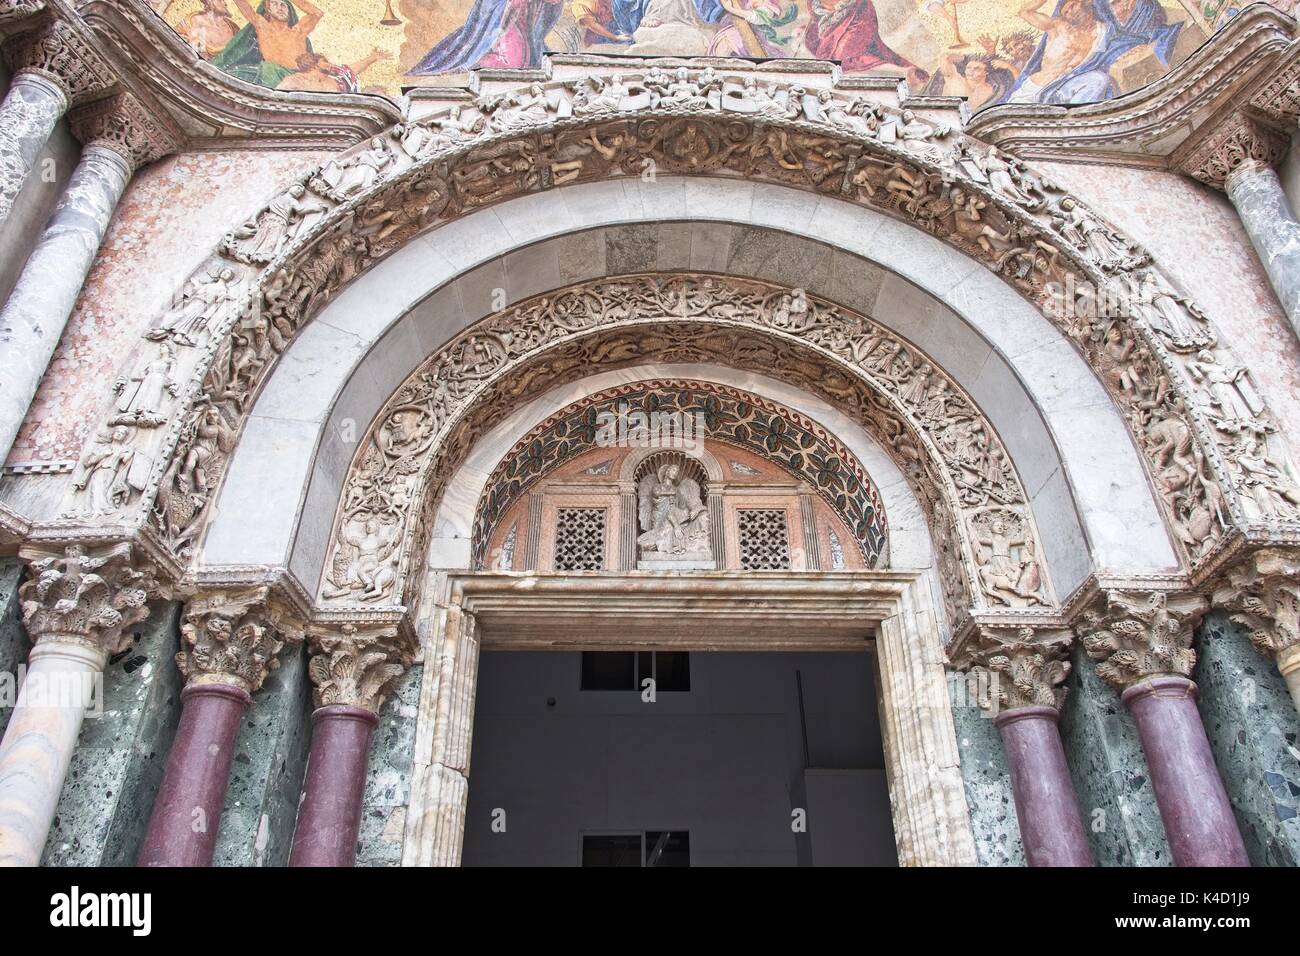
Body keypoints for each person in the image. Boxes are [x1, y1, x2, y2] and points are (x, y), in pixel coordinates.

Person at [408, 0, 565, 74]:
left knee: (519, 61)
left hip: (521, 28)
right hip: (504, 27)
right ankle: (473, 63)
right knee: (511, 62)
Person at [211, 0, 323, 89]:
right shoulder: (263, 27)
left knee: (269, 68)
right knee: (236, 74)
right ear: (268, 9)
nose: (280, 8)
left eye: (284, 5)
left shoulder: (298, 31)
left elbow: (317, 13)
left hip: (297, 75)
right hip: (270, 73)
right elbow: (244, 6)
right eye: (275, 4)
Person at [803, 0, 916, 75]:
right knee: (827, 55)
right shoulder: (815, 5)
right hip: (837, 21)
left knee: (840, 59)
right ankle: (901, 70)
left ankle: (902, 70)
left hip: (859, 15)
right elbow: (820, 11)